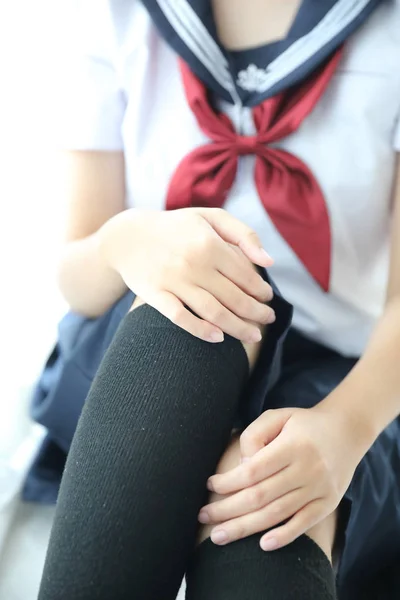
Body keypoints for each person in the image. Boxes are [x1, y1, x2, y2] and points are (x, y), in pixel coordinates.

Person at [35, 0, 400, 598]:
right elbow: (75, 276)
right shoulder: (112, 14)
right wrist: (123, 240)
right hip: (146, 350)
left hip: (340, 382)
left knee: (262, 508)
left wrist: (344, 429)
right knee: (198, 309)